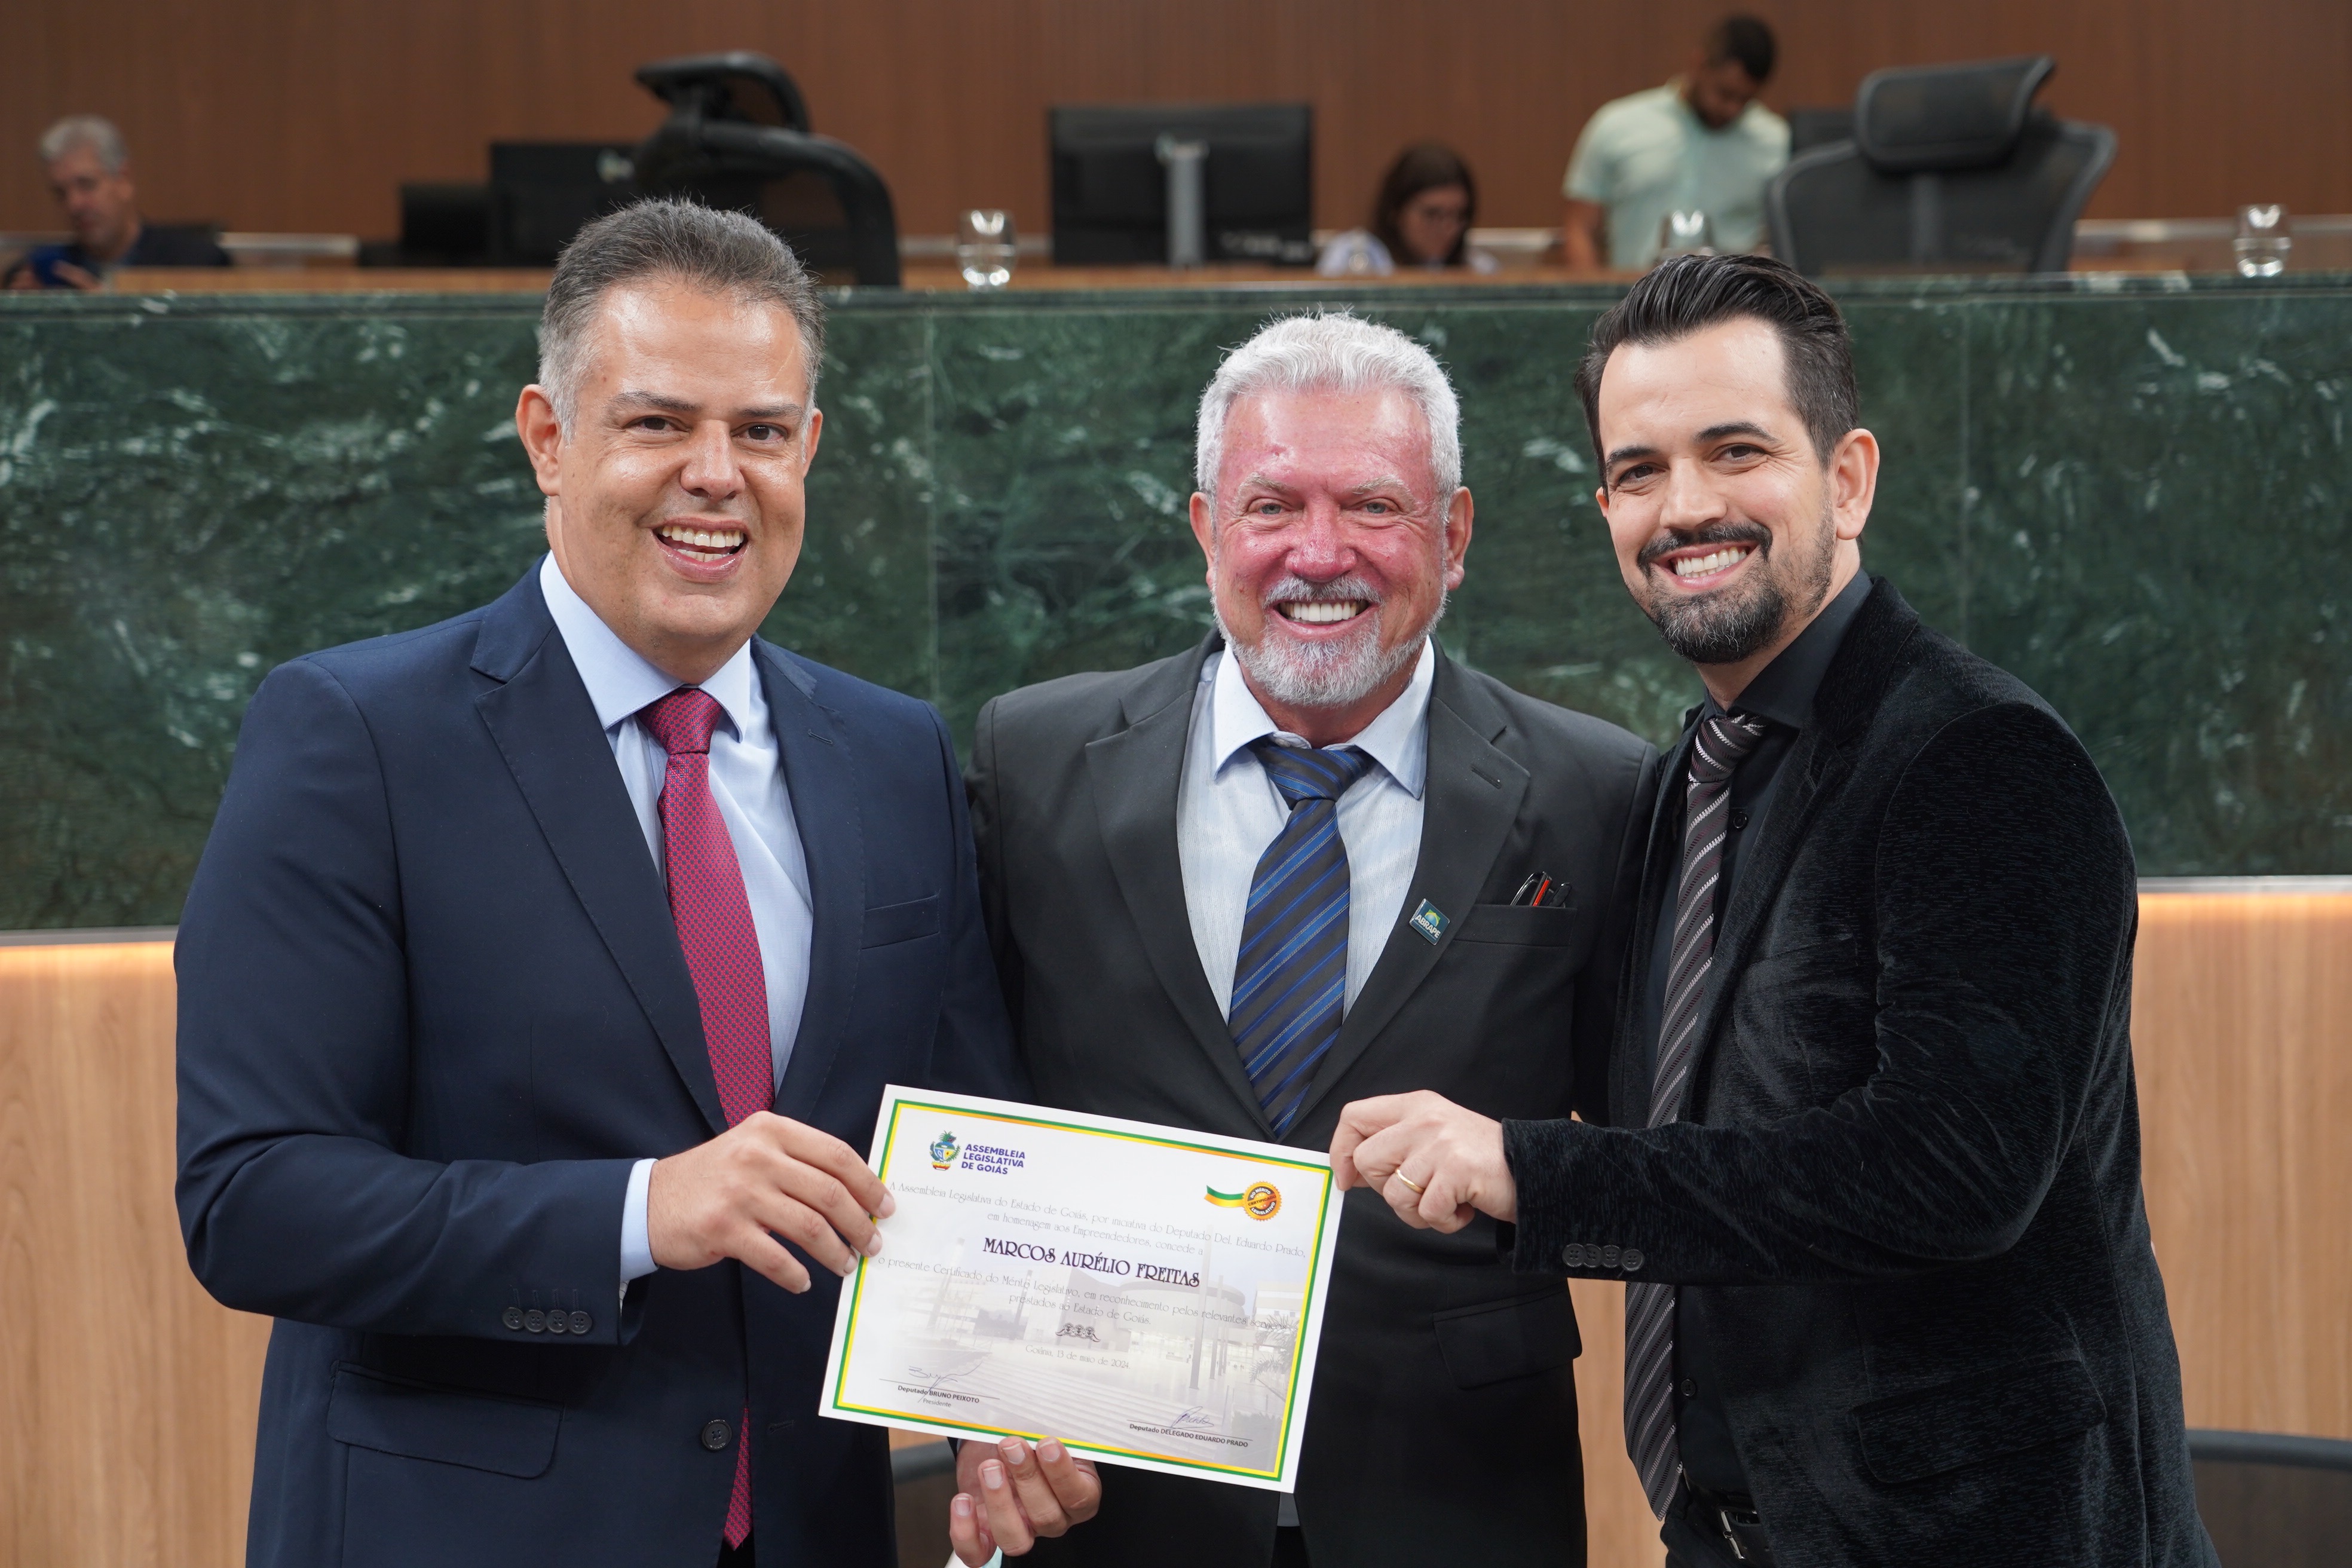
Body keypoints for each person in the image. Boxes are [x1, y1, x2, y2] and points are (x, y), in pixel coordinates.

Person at [174, 200, 1098, 1568]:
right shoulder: (356, 737)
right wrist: (637, 1211)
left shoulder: (896, 754)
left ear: (809, 449)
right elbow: (254, 1199)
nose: (715, 475)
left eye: (761, 432)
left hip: (811, 1529)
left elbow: (967, 1143)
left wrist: (994, 1408)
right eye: (659, 422)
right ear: (548, 438)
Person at [1330, 255, 2216, 1567]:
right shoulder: (1681, 787)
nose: (1685, 506)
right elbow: (1681, 1125)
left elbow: (1952, 1169)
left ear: (1848, 478)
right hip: (1738, 1533)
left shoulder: (1978, 756)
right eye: (1639, 471)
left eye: (1735, 451)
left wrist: (1534, 1170)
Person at [965, 311, 1658, 1567]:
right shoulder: (1034, 761)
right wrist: (969, 1394)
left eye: (1375, 506)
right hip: (1114, 1499)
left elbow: (1658, 1164)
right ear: (1206, 530)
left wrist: (1520, 1169)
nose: (1320, 552)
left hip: (1458, 1499)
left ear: (1453, 535)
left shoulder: (1596, 792)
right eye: (1272, 505)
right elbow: (966, 1107)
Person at [1560, 17, 1788, 272]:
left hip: (1733, 295)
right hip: (1634, 292)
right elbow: (1579, 229)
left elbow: (1790, 240)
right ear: (1699, 64)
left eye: (1745, 100)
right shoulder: (1616, 126)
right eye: (1724, 93)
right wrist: (1596, 292)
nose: (1732, 109)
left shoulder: (1776, 142)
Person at [2, 115, 229, 290]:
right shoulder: (38, 275)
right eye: (61, 193)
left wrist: (107, 318)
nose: (74, 205)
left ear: (124, 179)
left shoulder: (198, 264)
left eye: (87, 185)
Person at [1316, 143, 1499, 277]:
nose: (1449, 228)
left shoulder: (1479, 270)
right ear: (1396, 211)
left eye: (1459, 215)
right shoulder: (1353, 258)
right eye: (1432, 214)